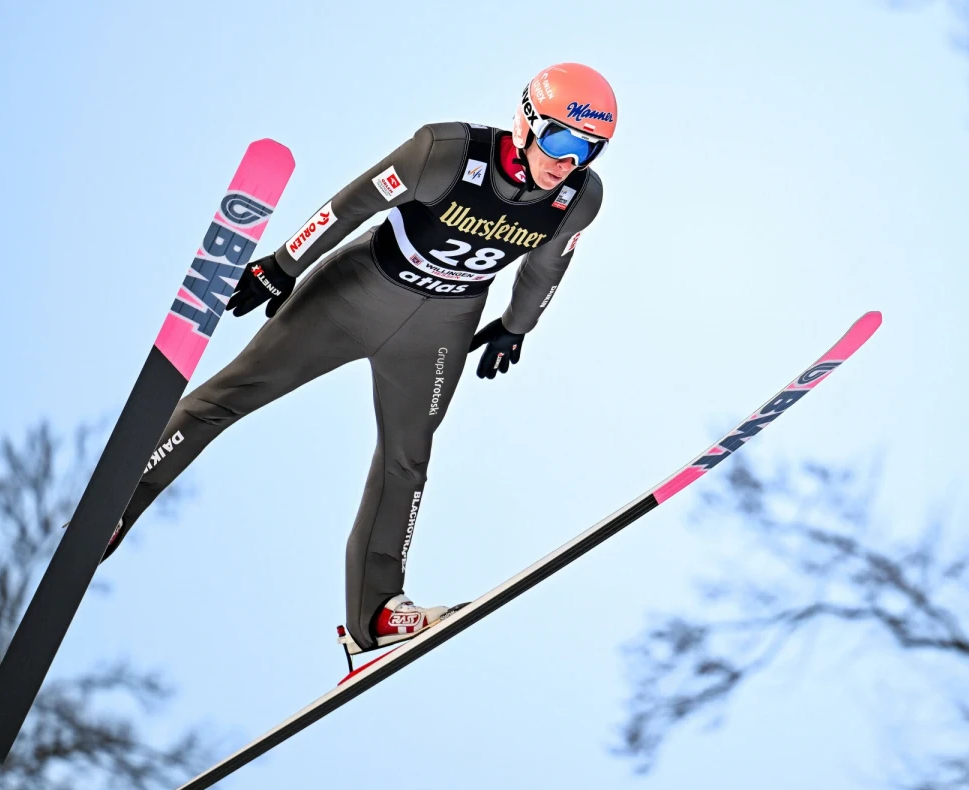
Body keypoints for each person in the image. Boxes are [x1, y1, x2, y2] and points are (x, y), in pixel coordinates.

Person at [104, 62, 617, 653]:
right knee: (234, 393)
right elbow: (351, 205)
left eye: (589, 149)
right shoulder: (445, 151)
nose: (568, 160)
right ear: (525, 123)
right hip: (355, 294)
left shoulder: (580, 196)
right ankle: (119, 501)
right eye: (559, 138)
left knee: (407, 462)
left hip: (440, 330)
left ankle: (376, 614)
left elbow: (547, 264)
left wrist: (515, 327)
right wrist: (282, 265)